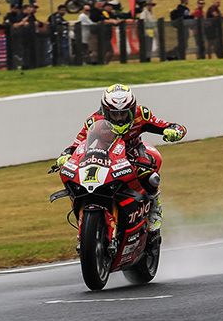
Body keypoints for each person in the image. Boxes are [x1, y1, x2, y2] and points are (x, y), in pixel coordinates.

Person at [53, 84, 186, 232]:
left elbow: (170, 126)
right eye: (114, 114)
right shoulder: (93, 121)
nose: (119, 118)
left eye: (123, 113)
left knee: (149, 174)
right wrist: (65, 156)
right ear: (105, 111)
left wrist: (174, 131)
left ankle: (155, 207)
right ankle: (83, 212)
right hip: (104, 155)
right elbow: (77, 143)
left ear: (132, 109)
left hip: (132, 152)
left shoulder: (141, 114)